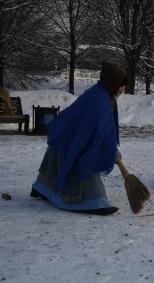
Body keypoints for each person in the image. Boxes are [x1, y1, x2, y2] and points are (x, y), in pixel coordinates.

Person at [31, 62, 127, 215]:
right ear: (113, 83)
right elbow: (98, 136)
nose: (123, 89)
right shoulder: (100, 101)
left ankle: (41, 188)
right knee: (87, 163)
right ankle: (96, 202)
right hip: (70, 136)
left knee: (54, 163)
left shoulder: (101, 92)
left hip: (65, 133)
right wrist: (112, 151)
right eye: (121, 85)